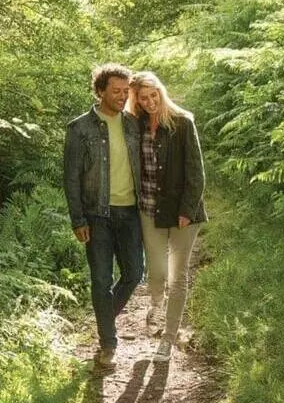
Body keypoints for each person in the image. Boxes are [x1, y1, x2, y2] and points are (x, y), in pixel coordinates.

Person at [64, 63, 143, 369]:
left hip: (130, 213)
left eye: (126, 91)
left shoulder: (133, 124)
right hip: (95, 216)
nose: (122, 96)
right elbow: (71, 178)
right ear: (99, 91)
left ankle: (103, 319)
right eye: (116, 91)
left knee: (135, 273)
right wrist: (78, 219)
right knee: (101, 281)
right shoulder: (79, 128)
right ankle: (108, 343)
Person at [126, 71, 207, 362]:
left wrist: (186, 209)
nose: (149, 102)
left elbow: (196, 173)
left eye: (153, 95)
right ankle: (156, 303)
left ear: (161, 91)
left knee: (178, 275)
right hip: (149, 208)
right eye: (142, 98)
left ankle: (168, 339)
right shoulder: (135, 125)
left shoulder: (183, 123)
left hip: (184, 212)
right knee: (157, 272)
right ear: (136, 101)